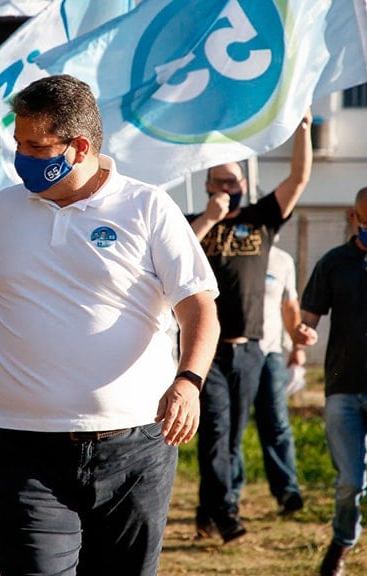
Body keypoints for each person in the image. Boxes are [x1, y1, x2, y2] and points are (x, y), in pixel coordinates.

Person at [0, 74, 220, 576]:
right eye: (18, 143)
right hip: (18, 445)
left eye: (36, 146)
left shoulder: (147, 206)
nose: (21, 157)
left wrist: (188, 383)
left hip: (134, 449)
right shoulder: (3, 208)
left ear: (80, 146)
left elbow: (199, 308)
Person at [188, 109, 312, 542]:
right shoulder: (192, 226)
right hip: (209, 350)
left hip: (252, 348)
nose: (230, 189)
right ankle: (226, 515)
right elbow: (177, 255)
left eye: (235, 182)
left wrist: (303, 129)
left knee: (233, 437)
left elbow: (298, 179)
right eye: (222, 182)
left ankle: (208, 510)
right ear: (207, 186)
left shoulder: (260, 219)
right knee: (217, 431)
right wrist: (208, 216)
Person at [295, 186, 367, 576]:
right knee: (350, 482)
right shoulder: (335, 263)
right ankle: (342, 542)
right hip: (343, 389)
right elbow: (307, 320)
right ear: (353, 218)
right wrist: (302, 334)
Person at [232, 243, 305, 514]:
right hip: (236, 352)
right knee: (233, 428)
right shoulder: (233, 253)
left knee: (276, 424)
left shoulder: (282, 259)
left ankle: (288, 492)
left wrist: (297, 347)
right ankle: (230, 496)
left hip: (270, 354)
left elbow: (289, 306)